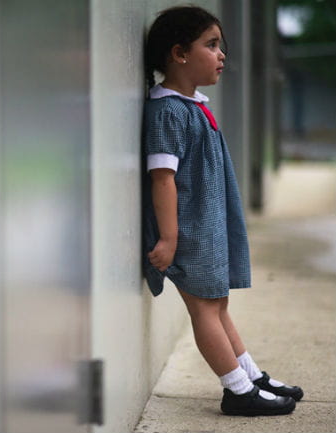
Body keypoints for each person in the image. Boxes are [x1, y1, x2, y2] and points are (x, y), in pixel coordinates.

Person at [142, 6, 303, 416]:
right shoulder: (168, 112)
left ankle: (249, 375)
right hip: (189, 233)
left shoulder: (191, 105)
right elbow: (162, 179)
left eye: (220, 46)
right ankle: (237, 390)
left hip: (205, 226)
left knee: (217, 306)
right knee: (205, 311)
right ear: (179, 53)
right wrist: (170, 238)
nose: (221, 55)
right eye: (211, 45)